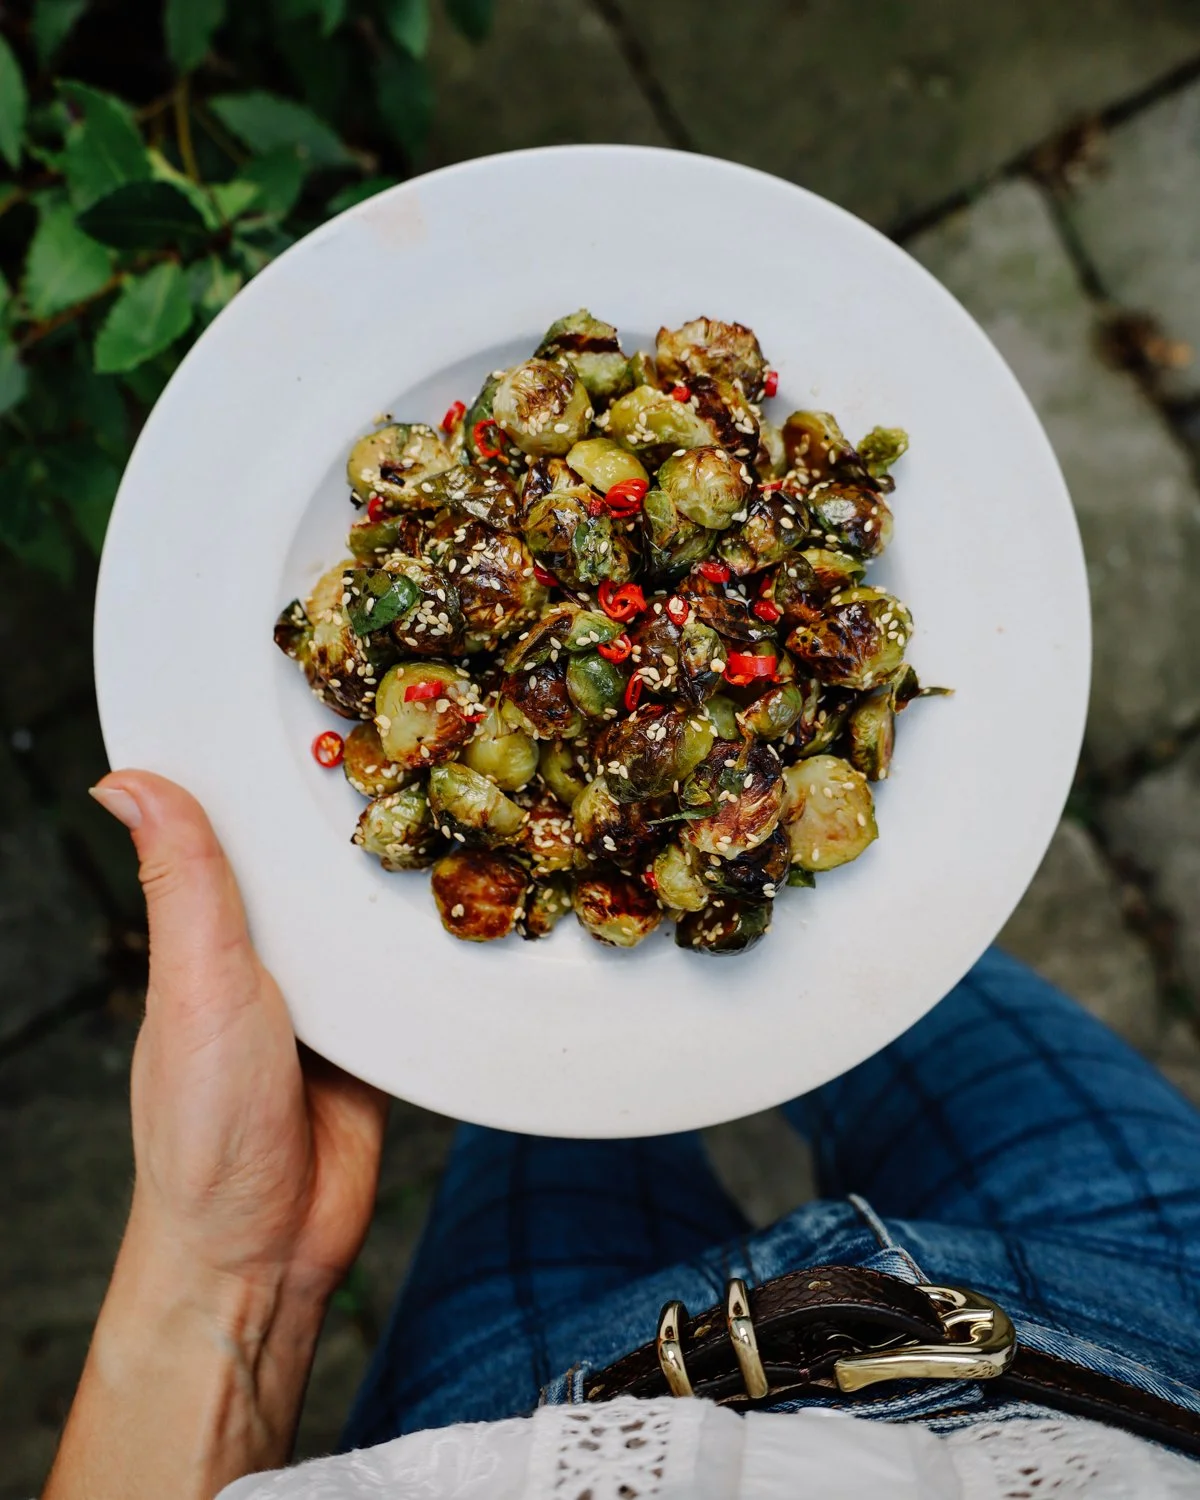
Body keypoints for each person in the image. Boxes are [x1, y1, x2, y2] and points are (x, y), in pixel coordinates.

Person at [44, 771, 1200, 1499]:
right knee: (880, 960)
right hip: (1133, 1336)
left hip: (526, 1389)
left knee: (576, 1077)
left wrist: (226, 1283)